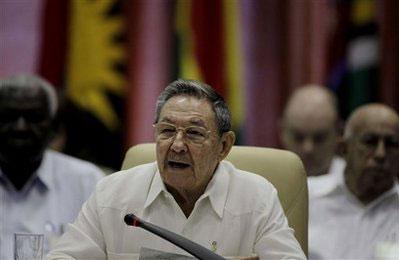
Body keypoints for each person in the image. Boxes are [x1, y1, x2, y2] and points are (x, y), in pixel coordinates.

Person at [48, 79, 306, 259]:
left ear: (224, 146)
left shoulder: (256, 198)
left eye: (194, 133)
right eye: (167, 131)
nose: (177, 145)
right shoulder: (113, 194)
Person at [0, 74, 104, 259]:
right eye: (8, 117)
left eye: (34, 118)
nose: (20, 127)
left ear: (54, 127)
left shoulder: (86, 182)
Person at [309, 103, 399, 259]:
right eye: (370, 141)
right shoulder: (306, 196)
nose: (380, 154)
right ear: (344, 149)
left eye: (392, 144)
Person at [280, 85, 343, 178]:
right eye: (298, 137)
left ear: (339, 133)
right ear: (282, 132)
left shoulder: (357, 186)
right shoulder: (263, 184)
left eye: (319, 138)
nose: (308, 149)